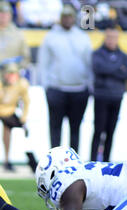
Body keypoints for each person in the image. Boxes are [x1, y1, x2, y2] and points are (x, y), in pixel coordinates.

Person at [38, 5, 92, 152]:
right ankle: (55, 163)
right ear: (61, 18)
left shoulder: (82, 37)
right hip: (57, 88)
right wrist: (47, 87)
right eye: (65, 17)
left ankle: (74, 164)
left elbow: (89, 63)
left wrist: (89, 86)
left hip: (79, 88)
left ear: (74, 18)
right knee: (55, 128)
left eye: (70, 17)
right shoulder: (51, 37)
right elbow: (43, 63)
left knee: (75, 128)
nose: (67, 20)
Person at [0, 61, 37, 171]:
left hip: (9, 110)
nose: (11, 77)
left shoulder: (22, 84)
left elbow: (26, 101)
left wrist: (24, 118)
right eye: (9, 74)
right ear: (4, 74)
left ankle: (14, 161)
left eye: (14, 74)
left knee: (22, 132)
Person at [90, 25, 127, 162]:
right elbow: (99, 69)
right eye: (109, 37)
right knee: (98, 131)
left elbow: (124, 73)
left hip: (116, 97)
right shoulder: (97, 54)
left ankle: (106, 162)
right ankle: (93, 161)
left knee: (111, 132)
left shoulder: (123, 55)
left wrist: (110, 69)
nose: (112, 40)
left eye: (114, 37)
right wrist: (117, 68)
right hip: (101, 97)